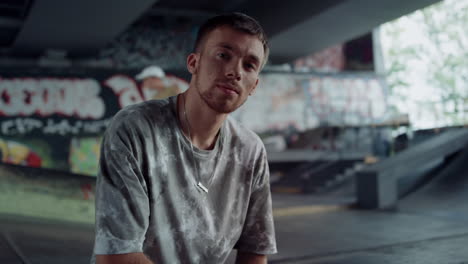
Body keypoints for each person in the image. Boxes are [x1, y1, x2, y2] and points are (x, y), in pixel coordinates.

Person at [92, 12, 277, 264]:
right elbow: (117, 257)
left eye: (249, 65)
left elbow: (255, 253)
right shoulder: (135, 129)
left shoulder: (250, 150)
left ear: (253, 86)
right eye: (223, 55)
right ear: (194, 63)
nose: (235, 72)